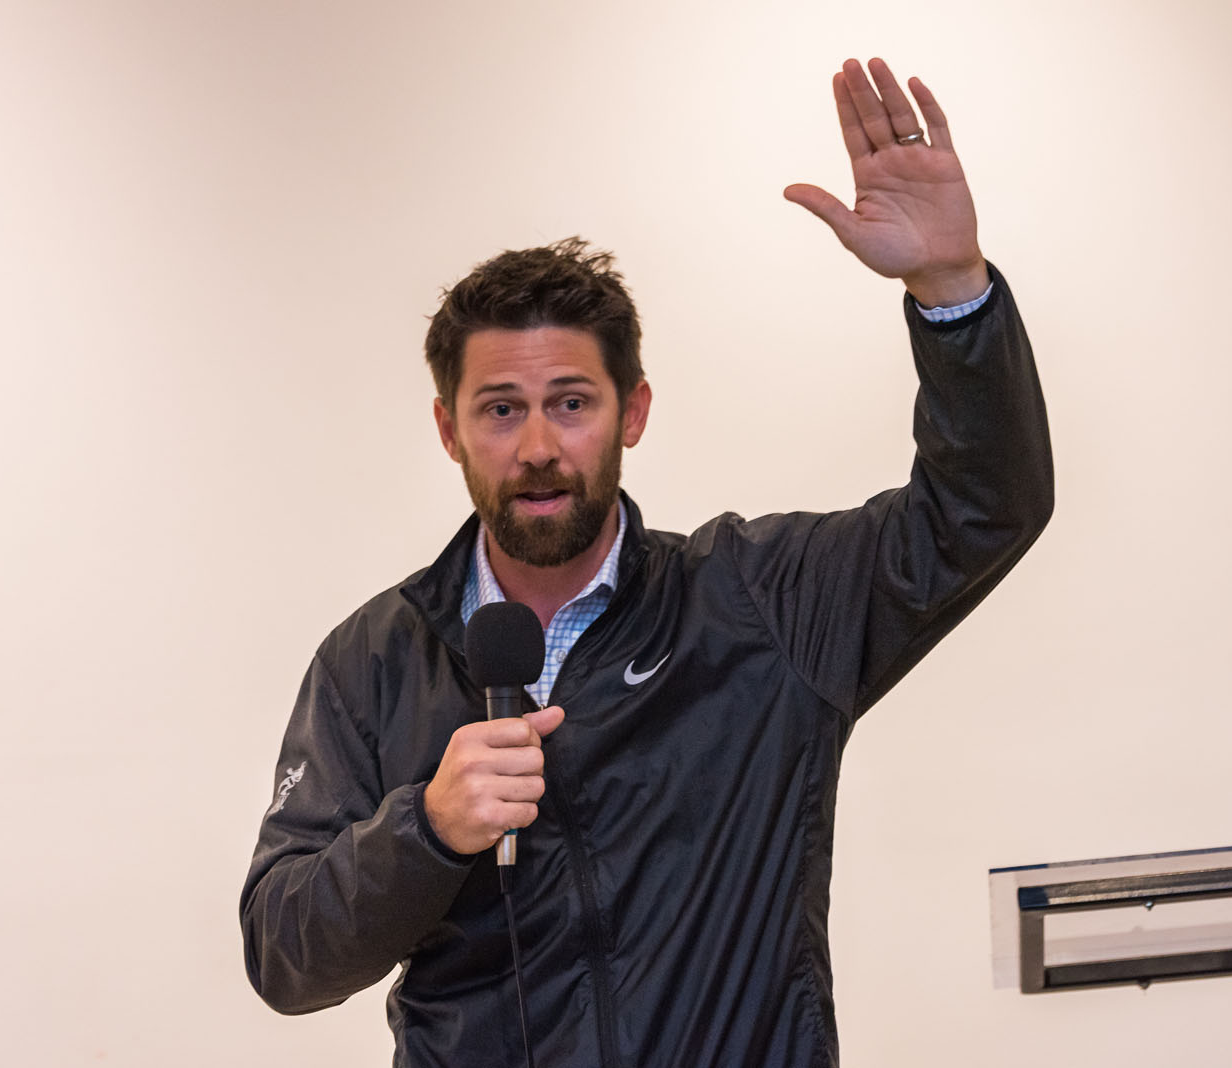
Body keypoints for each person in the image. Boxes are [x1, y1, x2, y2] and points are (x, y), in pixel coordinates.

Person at [241, 57, 1053, 1067]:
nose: (539, 445)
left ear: (633, 411)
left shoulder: (762, 602)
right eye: (501, 409)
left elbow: (982, 511)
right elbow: (284, 957)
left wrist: (952, 294)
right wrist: (426, 829)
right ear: (450, 431)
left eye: (572, 403)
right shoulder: (374, 661)